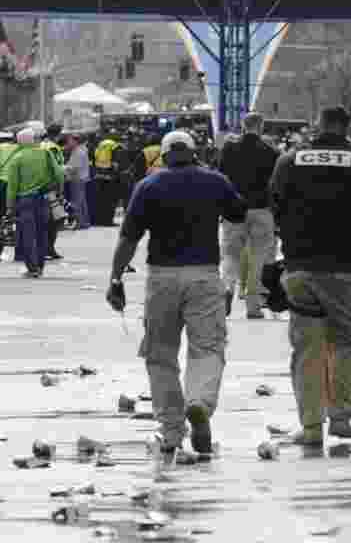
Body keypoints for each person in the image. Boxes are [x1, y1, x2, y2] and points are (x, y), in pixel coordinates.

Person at [105, 130, 247, 460]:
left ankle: (171, 429)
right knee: (208, 346)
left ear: (165, 156)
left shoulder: (149, 186)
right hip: (204, 276)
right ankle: (198, 402)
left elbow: (129, 238)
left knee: (160, 354)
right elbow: (239, 213)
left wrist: (115, 279)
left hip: (161, 278)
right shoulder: (215, 181)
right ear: (194, 153)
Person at [270, 107, 351, 446]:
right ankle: (340, 419)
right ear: (346, 129)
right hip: (342, 268)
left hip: (300, 267)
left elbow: (275, 203)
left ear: (318, 125)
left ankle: (311, 427)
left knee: (307, 349)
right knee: (344, 342)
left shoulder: (289, 161)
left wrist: (293, 234)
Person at [218, 113, 281, 319]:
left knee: (230, 254)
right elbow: (276, 185)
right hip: (262, 209)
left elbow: (220, 176)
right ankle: (253, 306)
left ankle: (227, 288)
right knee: (258, 258)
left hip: (233, 208)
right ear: (260, 127)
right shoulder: (271, 151)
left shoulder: (229, 148)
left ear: (243, 127)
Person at [6, 128, 63, 278]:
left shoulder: (17, 158)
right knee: (42, 233)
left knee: (28, 235)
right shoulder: (45, 153)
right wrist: (59, 192)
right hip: (44, 198)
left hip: (25, 200)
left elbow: (12, 186)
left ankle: (32, 268)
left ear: (20, 141)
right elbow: (59, 174)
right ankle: (41, 266)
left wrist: (10, 206)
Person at [39, 125, 65, 259]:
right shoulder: (53, 148)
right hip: (51, 187)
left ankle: (45, 248)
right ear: (58, 134)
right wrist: (61, 190)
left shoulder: (40, 145)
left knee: (43, 220)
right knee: (54, 220)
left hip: (40, 186)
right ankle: (49, 248)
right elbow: (58, 170)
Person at [93, 132, 122, 226]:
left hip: (99, 175)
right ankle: (108, 220)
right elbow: (115, 162)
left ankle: (100, 220)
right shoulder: (114, 145)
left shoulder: (100, 145)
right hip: (110, 176)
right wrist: (117, 174)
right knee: (111, 200)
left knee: (101, 200)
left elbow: (95, 159)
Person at [63, 132, 92, 230]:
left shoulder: (78, 152)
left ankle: (80, 222)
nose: (68, 143)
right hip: (79, 179)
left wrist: (63, 168)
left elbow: (74, 168)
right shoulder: (79, 150)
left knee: (77, 202)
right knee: (82, 202)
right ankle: (84, 222)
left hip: (77, 179)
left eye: (70, 141)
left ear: (75, 141)